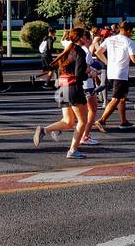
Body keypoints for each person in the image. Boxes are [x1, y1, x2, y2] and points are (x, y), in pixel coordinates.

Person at [34, 28, 93, 159]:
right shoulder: (79, 52)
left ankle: (44, 130)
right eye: (85, 36)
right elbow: (79, 75)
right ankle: (72, 150)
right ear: (80, 38)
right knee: (83, 121)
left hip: (62, 88)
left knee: (68, 121)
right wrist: (90, 73)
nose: (87, 39)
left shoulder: (67, 50)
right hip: (74, 88)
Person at [95, 22, 135, 130]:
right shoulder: (129, 41)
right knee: (116, 98)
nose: (131, 34)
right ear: (128, 30)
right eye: (131, 32)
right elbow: (134, 59)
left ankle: (123, 121)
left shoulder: (110, 39)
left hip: (111, 71)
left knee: (122, 97)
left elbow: (98, 52)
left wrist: (107, 62)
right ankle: (102, 120)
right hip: (121, 73)